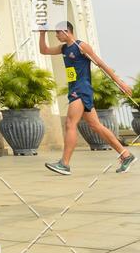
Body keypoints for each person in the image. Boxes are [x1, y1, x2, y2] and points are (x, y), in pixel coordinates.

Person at [39, 22, 135, 175]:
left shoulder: (81, 46)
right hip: (74, 89)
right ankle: (126, 155)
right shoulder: (63, 48)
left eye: (58, 32)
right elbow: (44, 50)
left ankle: (64, 164)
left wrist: (120, 83)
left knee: (70, 123)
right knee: (96, 126)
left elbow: (101, 64)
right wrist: (42, 33)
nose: (56, 35)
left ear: (66, 31)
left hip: (81, 90)